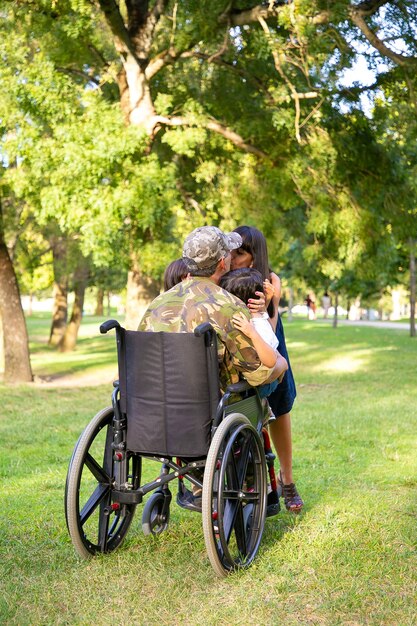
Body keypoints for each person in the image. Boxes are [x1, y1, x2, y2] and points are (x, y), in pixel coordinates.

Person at [138, 226, 288, 509]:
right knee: (266, 380)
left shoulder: (158, 304)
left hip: (152, 414)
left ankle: (196, 482)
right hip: (208, 417)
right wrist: (279, 367)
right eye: (228, 254)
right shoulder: (228, 305)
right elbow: (255, 371)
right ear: (222, 262)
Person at [231, 225, 304, 513]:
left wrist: (270, 302)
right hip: (240, 341)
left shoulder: (269, 280)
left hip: (268, 339)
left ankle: (287, 480)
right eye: (232, 252)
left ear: (253, 256)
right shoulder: (225, 276)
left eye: (240, 253)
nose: (233, 258)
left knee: (280, 407)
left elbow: (270, 333)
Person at [219, 267, 281, 410]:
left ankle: (264, 409)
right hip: (257, 378)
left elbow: (270, 361)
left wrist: (252, 333)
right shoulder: (253, 319)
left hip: (264, 382)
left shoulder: (254, 324)